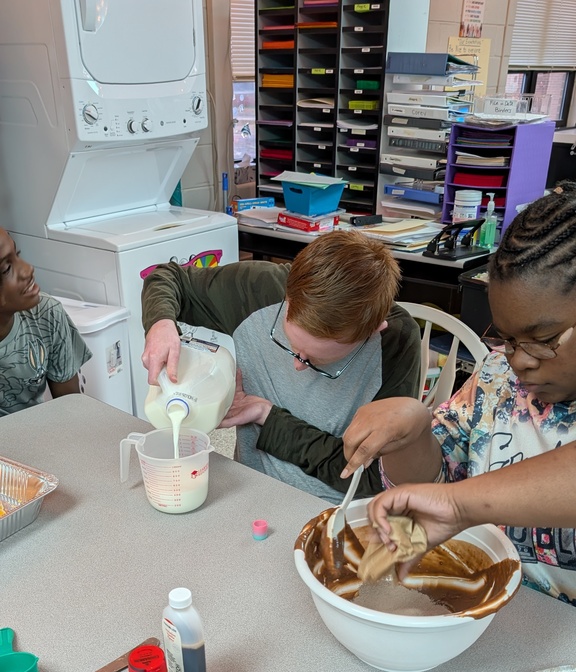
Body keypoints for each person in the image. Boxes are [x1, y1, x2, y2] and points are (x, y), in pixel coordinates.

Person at [341, 182, 576, 604]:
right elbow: (437, 483)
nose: (520, 360)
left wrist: (459, 505)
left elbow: (455, 501)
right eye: (506, 338)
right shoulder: (497, 377)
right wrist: (412, 432)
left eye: (542, 339)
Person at [141, 231, 421, 503]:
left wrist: (268, 417)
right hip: (249, 489)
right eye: (287, 342)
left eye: (316, 360)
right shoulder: (259, 288)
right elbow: (167, 277)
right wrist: (160, 323)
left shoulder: (395, 342)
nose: (297, 366)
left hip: (338, 509)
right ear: (288, 294)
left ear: (373, 330)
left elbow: (373, 477)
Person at [0, 228, 91, 416]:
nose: (28, 269)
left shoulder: (46, 314)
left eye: (17, 255)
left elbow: (72, 409)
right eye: (6, 269)